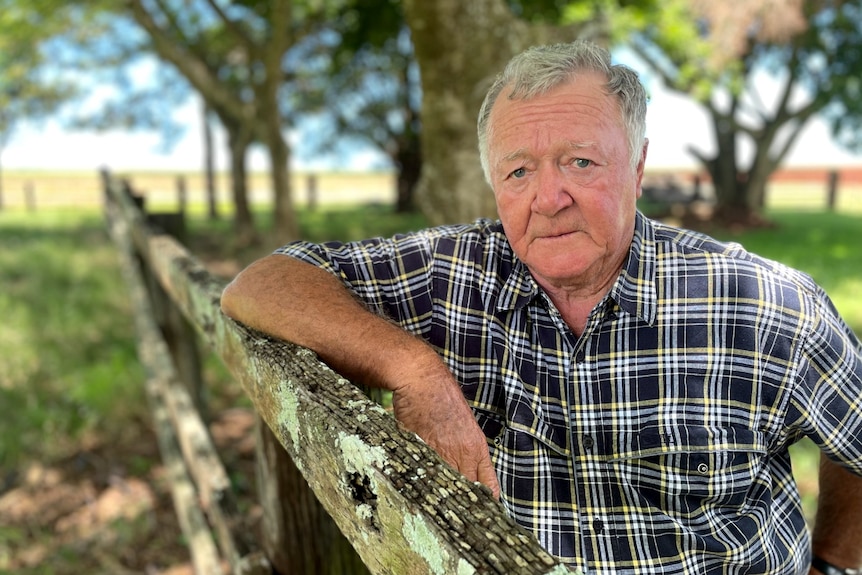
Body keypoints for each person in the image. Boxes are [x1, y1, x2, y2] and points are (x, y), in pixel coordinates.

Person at [221, 40, 862, 575]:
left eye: (579, 162)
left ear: (637, 169)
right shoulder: (453, 274)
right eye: (519, 171)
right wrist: (412, 366)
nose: (547, 198)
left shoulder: (766, 308)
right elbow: (260, 282)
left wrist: (832, 564)